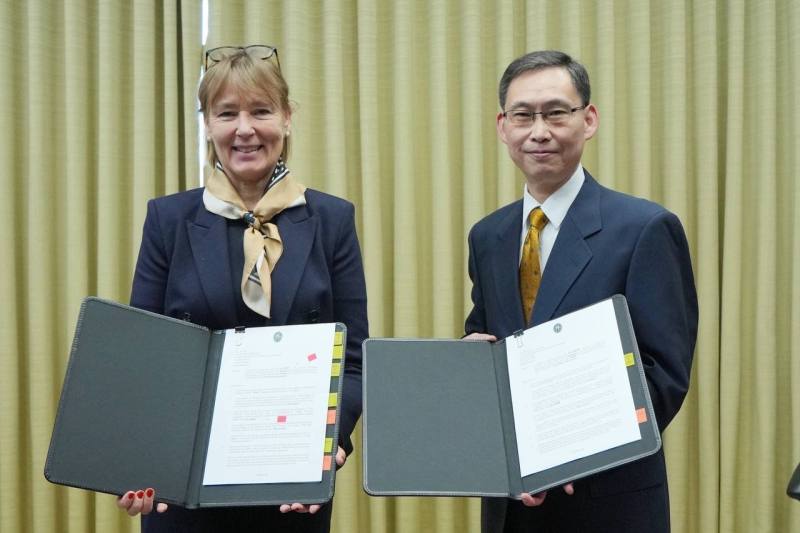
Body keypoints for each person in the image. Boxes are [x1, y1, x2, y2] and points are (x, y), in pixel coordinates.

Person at [114, 45, 368, 533]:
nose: (244, 129)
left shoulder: (332, 220)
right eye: (227, 113)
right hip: (183, 490)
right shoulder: (168, 220)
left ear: (288, 118)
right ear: (208, 125)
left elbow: (353, 357)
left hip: (293, 489)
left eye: (261, 110)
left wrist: (331, 439)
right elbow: (142, 358)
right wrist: (138, 457)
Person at [464, 50, 698, 532]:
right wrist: (469, 363)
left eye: (556, 112)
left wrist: (567, 450)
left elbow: (663, 376)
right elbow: (486, 340)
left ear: (588, 120)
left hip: (607, 502)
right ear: (502, 126)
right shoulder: (488, 236)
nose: (539, 131)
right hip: (510, 506)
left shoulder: (645, 228)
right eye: (523, 115)